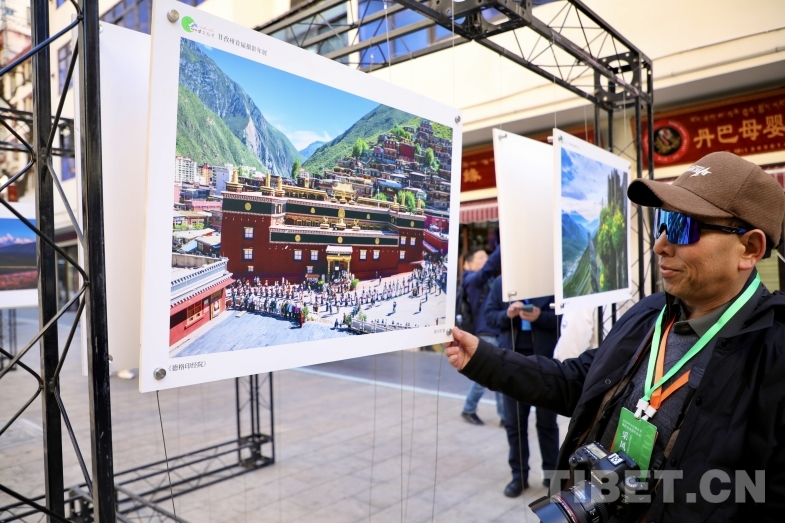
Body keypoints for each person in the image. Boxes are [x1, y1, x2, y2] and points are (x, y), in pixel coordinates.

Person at [446, 152, 785, 521]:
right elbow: (578, 383)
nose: (660, 245)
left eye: (682, 226)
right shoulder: (651, 313)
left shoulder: (774, 353)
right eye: (663, 223)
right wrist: (482, 358)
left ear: (749, 249)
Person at [484, 275, 560, 497]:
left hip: (545, 363)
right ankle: (519, 476)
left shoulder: (548, 280)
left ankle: (553, 476)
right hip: (511, 363)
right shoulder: (502, 283)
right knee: (515, 423)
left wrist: (540, 317)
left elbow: (563, 319)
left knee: (547, 423)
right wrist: (507, 315)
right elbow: (489, 317)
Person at [459, 247, 504, 426]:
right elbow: (488, 269)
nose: (486, 260)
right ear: (469, 264)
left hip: (497, 331)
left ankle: (505, 416)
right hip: (485, 333)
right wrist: (503, 246)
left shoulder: (491, 280)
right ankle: (469, 409)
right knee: (485, 375)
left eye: (487, 256)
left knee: (500, 374)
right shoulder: (470, 279)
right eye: (481, 257)